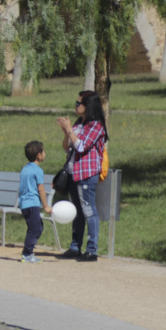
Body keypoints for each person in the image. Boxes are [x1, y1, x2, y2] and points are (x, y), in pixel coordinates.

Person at [56, 90, 108, 262]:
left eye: (79, 103)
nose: (76, 105)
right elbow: (67, 147)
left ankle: (92, 250)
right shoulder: (79, 123)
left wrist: (70, 129)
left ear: (88, 106)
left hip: (86, 173)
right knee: (77, 212)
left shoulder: (96, 126)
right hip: (72, 172)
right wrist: (66, 132)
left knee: (88, 210)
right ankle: (74, 247)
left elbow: (81, 147)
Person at [19, 140, 52, 263]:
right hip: (32, 203)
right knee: (35, 229)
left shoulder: (25, 168)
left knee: (36, 226)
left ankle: (28, 252)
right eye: (43, 151)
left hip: (24, 203)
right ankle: (27, 254)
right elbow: (41, 189)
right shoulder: (38, 170)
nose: (45, 153)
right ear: (39, 155)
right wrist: (46, 206)